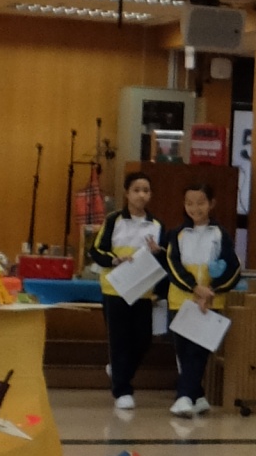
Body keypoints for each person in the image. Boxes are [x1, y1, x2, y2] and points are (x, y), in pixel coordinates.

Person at [161, 180, 239, 418]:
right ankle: (198, 397)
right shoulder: (177, 234)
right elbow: (172, 266)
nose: (195, 208)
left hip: (210, 304)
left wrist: (210, 291)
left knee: (198, 351)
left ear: (211, 204)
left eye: (201, 203)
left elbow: (233, 268)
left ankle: (183, 398)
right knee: (184, 352)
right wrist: (195, 288)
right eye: (190, 203)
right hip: (180, 301)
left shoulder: (220, 234)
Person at [87, 171, 164, 412]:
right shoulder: (113, 220)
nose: (141, 195)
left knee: (143, 339)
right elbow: (96, 251)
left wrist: (158, 252)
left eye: (146, 191)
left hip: (142, 291)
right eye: (136, 190)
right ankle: (122, 390)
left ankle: (119, 371)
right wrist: (115, 260)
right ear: (127, 193)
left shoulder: (156, 225)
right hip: (115, 289)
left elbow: (164, 260)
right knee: (119, 340)